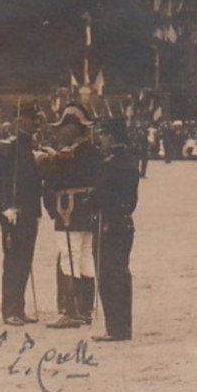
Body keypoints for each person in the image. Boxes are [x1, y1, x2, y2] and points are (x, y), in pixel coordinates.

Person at [40, 104, 101, 328]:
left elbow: (54, 179)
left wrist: (50, 162)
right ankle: (85, 309)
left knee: (70, 256)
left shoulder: (69, 156)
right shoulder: (92, 151)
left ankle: (71, 310)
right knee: (85, 256)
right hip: (88, 210)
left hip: (69, 209)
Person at [0, 101, 43, 326]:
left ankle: (19, 309)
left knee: (25, 260)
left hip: (30, 211)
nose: (38, 123)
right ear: (21, 121)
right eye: (33, 119)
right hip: (13, 212)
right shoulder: (7, 146)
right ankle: (9, 310)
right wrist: (3, 207)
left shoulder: (30, 145)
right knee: (13, 261)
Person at [91, 117, 140, 342]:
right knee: (120, 273)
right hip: (123, 222)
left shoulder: (111, 163)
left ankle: (116, 328)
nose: (100, 138)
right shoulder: (128, 159)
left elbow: (101, 194)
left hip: (109, 224)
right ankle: (121, 328)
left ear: (111, 136)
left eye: (102, 134)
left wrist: (90, 200)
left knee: (109, 275)